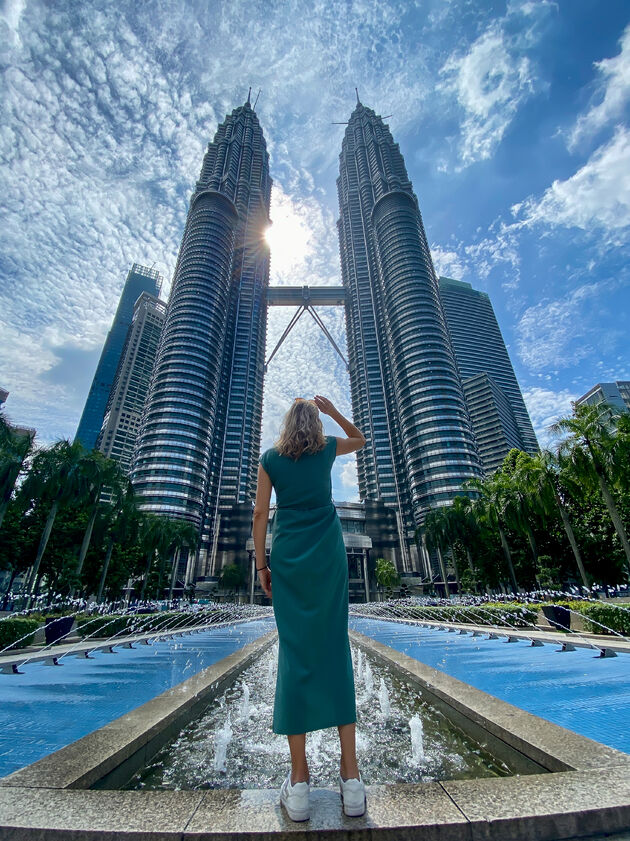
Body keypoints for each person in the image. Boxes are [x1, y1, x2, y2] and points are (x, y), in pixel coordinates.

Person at [253, 395, 367, 822]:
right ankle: (351, 780)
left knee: (295, 653)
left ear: (286, 424)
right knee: (335, 648)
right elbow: (361, 438)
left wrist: (262, 565)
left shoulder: (270, 459)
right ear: (315, 424)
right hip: (326, 556)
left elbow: (261, 512)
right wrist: (334, 411)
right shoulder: (328, 449)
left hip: (289, 558)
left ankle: (299, 785)